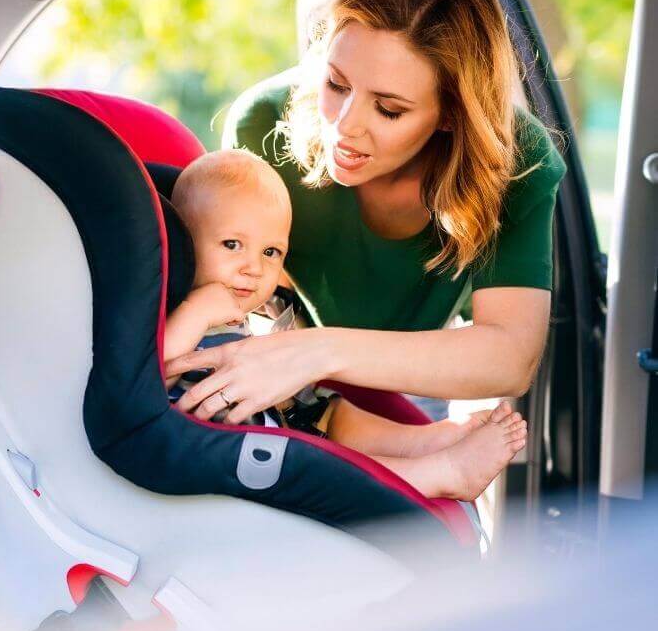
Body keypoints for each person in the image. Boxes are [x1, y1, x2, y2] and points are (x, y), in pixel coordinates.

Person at [166, 0, 566, 441]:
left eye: (390, 110)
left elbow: (509, 356)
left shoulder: (517, 163)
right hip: (280, 351)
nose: (344, 126)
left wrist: (317, 351)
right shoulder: (263, 123)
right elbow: (233, 286)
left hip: (414, 367)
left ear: (449, 115)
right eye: (336, 83)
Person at [165, 148, 528, 501]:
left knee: (333, 411)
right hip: (240, 452)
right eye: (232, 244)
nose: (254, 268)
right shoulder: (175, 306)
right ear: (183, 241)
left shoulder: (260, 309)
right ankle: (440, 473)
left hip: (282, 419)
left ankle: (425, 441)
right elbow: (147, 376)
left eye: (270, 252)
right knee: (315, 460)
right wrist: (197, 311)